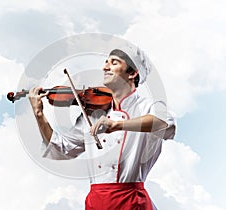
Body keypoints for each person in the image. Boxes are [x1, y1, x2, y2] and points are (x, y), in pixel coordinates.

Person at [29, 47, 176, 210]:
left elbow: (164, 122)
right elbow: (61, 148)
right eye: (106, 62)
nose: (105, 67)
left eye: (114, 62)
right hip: (96, 202)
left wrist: (117, 125)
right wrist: (39, 114)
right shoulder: (93, 113)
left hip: (131, 201)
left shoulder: (149, 106)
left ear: (132, 73)